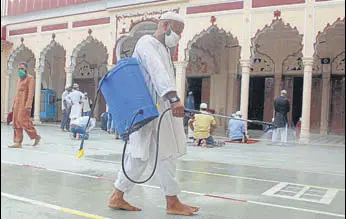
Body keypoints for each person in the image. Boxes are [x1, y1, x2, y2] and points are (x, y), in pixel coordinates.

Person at [108, 11, 199, 216]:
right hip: (147, 110)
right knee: (147, 154)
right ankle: (169, 201)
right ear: (166, 25)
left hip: (157, 110)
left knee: (153, 155)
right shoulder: (146, 42)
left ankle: (120, 196)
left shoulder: (164, 49)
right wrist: (174, 98)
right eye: (178, 31)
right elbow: (157, 71)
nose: (179, 37)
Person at [8, 62, 41, 148]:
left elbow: (30, 93)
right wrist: (14, 104)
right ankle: (17, 142)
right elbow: (17, 92)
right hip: (17, 104)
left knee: (24, 122)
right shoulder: (19, 79)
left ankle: (36, 136)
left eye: (22, 69)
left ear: (26, 69)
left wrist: (28, 105)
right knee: (15, 122)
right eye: (19, 69)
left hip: (24, 104)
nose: (20, 71)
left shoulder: (30, 78)